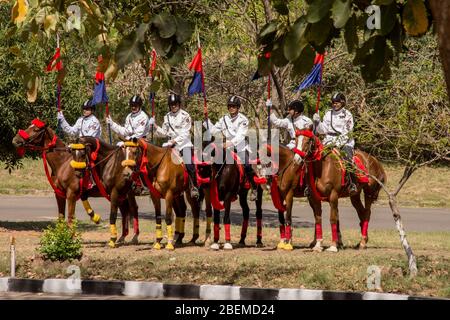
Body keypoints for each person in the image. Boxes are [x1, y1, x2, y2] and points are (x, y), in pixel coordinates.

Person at [203, 95, 258, 201]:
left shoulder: (243, 120)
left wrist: (230, 143)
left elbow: (240, 135)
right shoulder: (224, 119)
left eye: (234, 106)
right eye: (230, 106)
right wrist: (206, 119)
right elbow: (214, 130)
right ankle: (209, 184)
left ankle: (254, 188)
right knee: (212, 161)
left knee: (247, 165)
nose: (231, 108)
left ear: (238, 107)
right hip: (226, 148)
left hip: (240, 147)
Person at [154, 93, 199, 199]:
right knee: (158, 162)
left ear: (179, 104)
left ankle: (193, 187)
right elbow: (164, 133)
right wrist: (155, 126)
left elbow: (186, 133)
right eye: (171, 104)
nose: (173, 106)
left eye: (175, 104)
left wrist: (175, 140)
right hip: (170, 145)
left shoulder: (185, 115)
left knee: (189, 164)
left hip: (184, 144)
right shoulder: (167, 117)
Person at [313, 92, 358, 195]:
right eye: (333, 102)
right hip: (328, 140)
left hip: (344, 141)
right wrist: (318, 122)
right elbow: (323, 130)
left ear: (342, 103)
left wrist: (337, 144)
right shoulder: (328, 113)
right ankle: (311, 184)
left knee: (347, 159)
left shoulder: (347, 114)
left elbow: (348, 132)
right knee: (314, 156)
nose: (334, 104)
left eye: (337, 102)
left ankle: (352, 183)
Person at [269, 99, 313, 164]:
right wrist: (270, 109)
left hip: (302, 146)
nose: (288, 111)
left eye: (290, 109)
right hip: (292, 144)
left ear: (296, 111)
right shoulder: (288, 119)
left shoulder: (307, 121)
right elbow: (276, 122)